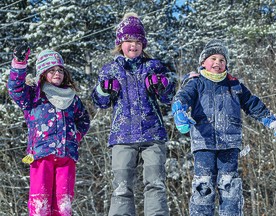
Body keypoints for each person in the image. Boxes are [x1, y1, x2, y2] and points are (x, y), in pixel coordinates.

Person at [171, 39, 276, 216]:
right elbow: (182, 97)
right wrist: (179, 111)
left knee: (229, 184)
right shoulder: (196, 82)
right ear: (203, 62)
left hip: (230, 143)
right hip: (203, 143)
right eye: (213, 58)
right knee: (204, 184)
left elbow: (251, 103)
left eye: (222, 60)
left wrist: (269, 119)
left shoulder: (234, 85)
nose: (217, 63)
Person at [91, 12, 176, 216]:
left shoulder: (153, 66)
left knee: (155, 183)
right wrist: (104, 89)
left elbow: (168, 96)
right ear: (120, 43)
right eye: (129, 40)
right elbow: (99, 102)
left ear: (143, 45)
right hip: (122, 136)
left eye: (138, 41)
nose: (133, 45)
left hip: (152, 134)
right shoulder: (110, 69)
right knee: (121, 186)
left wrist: (162, 84)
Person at [7, 43, 90, 215]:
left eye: (60, 70)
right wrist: (19, 64)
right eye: (52, 70)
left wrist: (76, 136)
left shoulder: (72, 98)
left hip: (66, 156)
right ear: (43, 74)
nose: (57, 73)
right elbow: (15, 89)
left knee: (63, 204)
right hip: (41, 155)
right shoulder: (33, 95)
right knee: (40, 202)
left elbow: (83, 119)